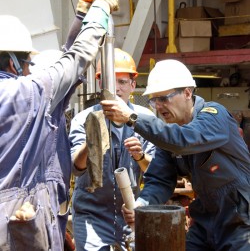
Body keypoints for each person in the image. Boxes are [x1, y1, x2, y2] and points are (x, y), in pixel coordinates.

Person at [0, 0, 119, 250]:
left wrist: (81, 14)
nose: (31, 72)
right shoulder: (30, 91)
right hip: (16, 223)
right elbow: (76, 58)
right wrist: (100, 9)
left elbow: (66, 58)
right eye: (27, 64)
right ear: (13, 62)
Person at [100, 59, 250, 251]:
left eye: (164, 98)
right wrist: (142, 204)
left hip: (240, 221)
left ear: (187, 92)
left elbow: (184, 140)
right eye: (154, 100)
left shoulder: (214, 116)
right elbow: (160, 179)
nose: (159, 106)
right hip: (205, 221)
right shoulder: (170, 137)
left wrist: (131, 117)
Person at [69, 48, 155, 250]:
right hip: (92, 214)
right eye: (110, 82)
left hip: (130, 213)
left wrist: (140, 156)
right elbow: (75, 168)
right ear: (101, 84)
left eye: (123, 82)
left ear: (133, 85)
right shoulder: (84, 119)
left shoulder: (145, 121)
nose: (116, 88)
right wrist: (91, 144)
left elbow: (157, 171)